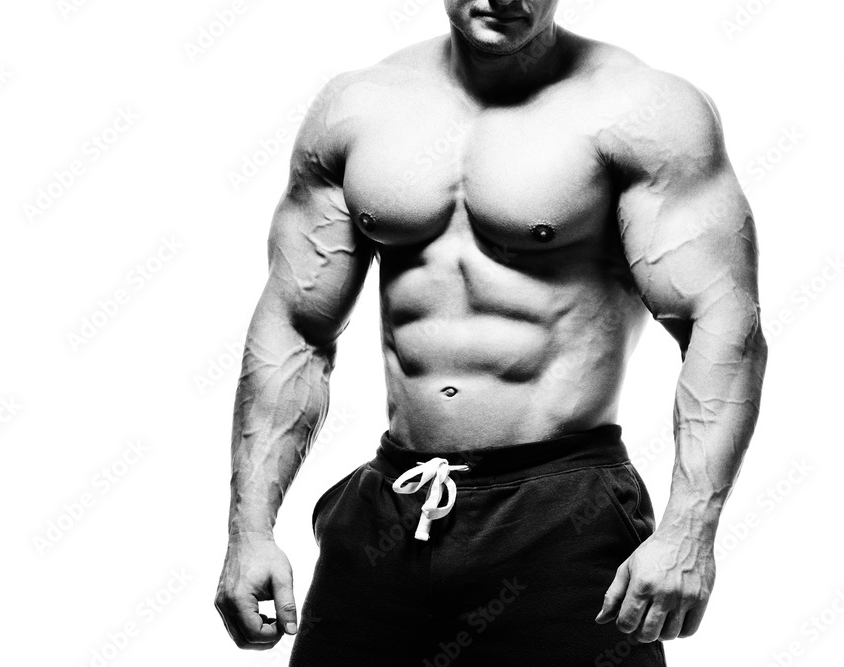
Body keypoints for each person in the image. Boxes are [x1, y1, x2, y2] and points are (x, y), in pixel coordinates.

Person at [214, 1, 767, 664]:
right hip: (393, 507)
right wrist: (249, 531)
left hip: (561, 511)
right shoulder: (358, 109)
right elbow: (297, 327)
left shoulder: (641, 111)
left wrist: (688, 533)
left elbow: (721, 322)